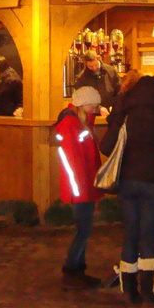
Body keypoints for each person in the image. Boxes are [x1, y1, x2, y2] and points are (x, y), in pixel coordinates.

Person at [100, 75, 154, 303]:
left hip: (127, 181)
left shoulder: (125, 115)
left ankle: (129, 290)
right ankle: (148, 290)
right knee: (148, 235)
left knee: (130, 234)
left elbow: (106, 146)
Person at [55, 86, 103, 288]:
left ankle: (77, 269)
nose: (96, 108)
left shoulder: (81, 122)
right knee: (83, 230)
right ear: (83, 104)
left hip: (84, 185)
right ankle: (72, 269)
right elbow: (73, 161)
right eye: (94, 104)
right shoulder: (71, 124)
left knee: (84, 229)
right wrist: (81, 190)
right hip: (80, 187)